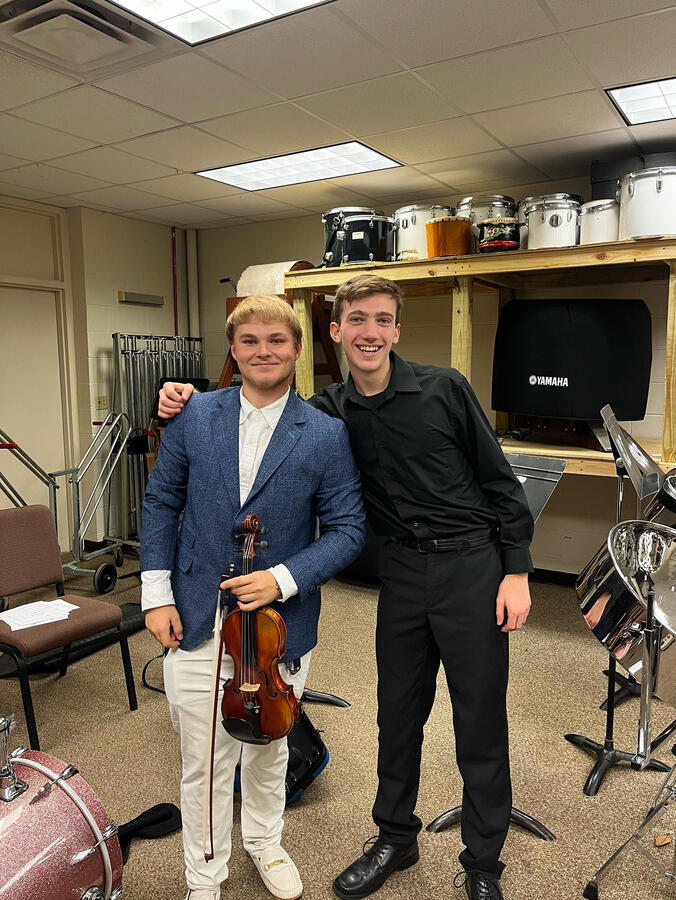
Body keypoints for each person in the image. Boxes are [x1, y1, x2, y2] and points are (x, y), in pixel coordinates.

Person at [158, 274, 534, 900]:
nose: (370, 332)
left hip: (473, 568)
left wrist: (517, 572)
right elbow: (261, 408)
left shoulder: (445, 389)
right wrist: (182, 396)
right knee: (398, 715)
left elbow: (500, 483)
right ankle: (395, 837)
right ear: (335, 331)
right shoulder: (329, 412)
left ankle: (483, 863)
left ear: (395, 329)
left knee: (479, 720)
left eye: (383, 320)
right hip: (402, 576)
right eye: (357, 320)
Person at [142, 295, 365, 900]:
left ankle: (265, 841)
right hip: (192, 613)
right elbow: (162, 502)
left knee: (270, 746)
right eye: (249, 342)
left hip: (279, 625)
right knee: (204, 759)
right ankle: (204, 878)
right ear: (234, 350)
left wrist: (283, 578)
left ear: (296, 349)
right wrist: (155, 594)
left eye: (276, 340)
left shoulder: (323, 433)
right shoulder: (195, 414)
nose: (263, 351)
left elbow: (348, 528)